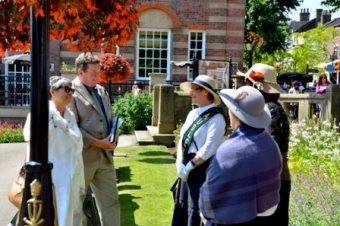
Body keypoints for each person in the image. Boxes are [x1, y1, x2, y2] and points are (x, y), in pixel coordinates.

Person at [199, 85, 282, 226]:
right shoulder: (271, 143)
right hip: (266, 215)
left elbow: (209, 196)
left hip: (231, 219)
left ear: (234, 114)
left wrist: (204, 214)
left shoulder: (229, 150)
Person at [23, 76, 85, 226]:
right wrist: (56, 124)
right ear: (53, 91)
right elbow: (29, 136)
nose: (70, 93)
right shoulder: (42, 112)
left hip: (70, 171)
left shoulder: (69, 115)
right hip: (50, 172)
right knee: (52, 212)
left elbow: (77, 141)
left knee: (69, 213)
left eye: (72, 90)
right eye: (66, 89)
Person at [235, 63, 291, 225]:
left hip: (271, 180)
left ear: (257, 86)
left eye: (247, 83)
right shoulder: (264, 109)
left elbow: (267, 152)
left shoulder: (271, 110)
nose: (244, 87)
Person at [68, 52, 120, 226]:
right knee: (76, 206)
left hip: (105, 158)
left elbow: (109, 118)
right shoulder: (70, 92)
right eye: (93, 73)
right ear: (80, 72)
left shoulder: (101, 91)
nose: (98, 76)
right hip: (83, 159)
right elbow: (72, 128)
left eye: (99, 72)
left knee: (111, 203)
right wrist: (99, 143)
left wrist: (114, 137)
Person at [174, 75, 227, 226]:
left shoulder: (217, 117)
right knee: (183, 205)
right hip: (186, 168)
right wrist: (179, 164)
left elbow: (210, 147)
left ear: (206, 92)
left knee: (195, 209)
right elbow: (182, 140)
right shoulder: (192, 113)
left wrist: (190, 166)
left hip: (202, 170)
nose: (191, 93)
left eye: (195, 89)